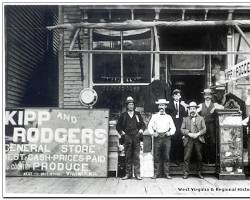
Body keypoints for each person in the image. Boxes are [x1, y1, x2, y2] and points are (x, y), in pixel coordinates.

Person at [116, 96, 145, 180]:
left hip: (136, 136)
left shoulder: (137, 114)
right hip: (127, 137)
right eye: (129, 104)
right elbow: (118, 126)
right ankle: (128, 174)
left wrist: (141, 130)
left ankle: (137, 174)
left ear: (134, 105)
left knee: (136, 156)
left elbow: (143, 124)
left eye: (132, 104)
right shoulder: (123, 115)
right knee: (128, 156)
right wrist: (122, 132)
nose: (131, 106)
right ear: (127, 106)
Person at [148, 99, 176, 179]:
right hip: (157, 137)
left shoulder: (168, 117)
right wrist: (153, 133)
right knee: (156, 156)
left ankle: (166, 173)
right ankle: (156, 173)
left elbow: (173, 128)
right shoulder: (154, 116)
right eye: (160, 105)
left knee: (166, 156)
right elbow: (149, 127)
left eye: (163, 105)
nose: (161, 107)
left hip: (166, 138)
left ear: (165, 106)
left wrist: (169, 133)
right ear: (158, 106)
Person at [197, 88, 224, 164]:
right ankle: (205, 159)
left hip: (212, 125)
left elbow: (223, 107)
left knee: (212, 141)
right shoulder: (201, 105)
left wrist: (215, 107)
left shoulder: (214, 104)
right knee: (203, 141)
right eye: (206, 95)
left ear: (211, 96)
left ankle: (212, 159)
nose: (207, 97)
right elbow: (194, 112)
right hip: (203, 125)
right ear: (204, 96)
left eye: (209, 95)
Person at [181, 101, 207, 179]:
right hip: (188, 139)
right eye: (191, 109)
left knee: (199, 157)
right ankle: (186, 173)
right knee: (186, 157)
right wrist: (189, 134)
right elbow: (182, 129)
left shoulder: (201, 118)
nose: (192, 110)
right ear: (189, 110)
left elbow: (204, 129)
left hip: (198, 139)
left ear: (196, 110)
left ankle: (199, 172)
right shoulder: (185, 119)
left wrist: (198, 134)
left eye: (194, 109)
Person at [167, 89, 188, 165]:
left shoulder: (182, 107)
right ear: (173, 96)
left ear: (180, 97)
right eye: (175, 95)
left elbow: (184, 118)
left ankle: (178, 159)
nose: (177, 97)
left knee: (179, 143)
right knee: (172, 142)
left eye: (178, 95)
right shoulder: (169, 106)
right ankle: (171, 159)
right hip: (172, 127)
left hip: (179, 127)